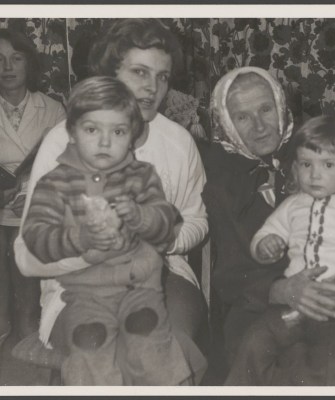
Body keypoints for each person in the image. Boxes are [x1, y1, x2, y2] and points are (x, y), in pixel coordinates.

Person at [14, 18, 208, 385]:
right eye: (139, 72)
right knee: (98, 353)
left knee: (171, 347)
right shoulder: (63, 140)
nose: (152, 88)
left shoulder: (179, 143)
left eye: (163, 77)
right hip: (78, 281)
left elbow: (196, 219)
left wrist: (163, 238)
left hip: (163, 274)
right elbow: (30, 247)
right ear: (110, 74)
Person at [201, 66, 335, 385]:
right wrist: (281, 290)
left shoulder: (324, 148)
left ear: (281, 106)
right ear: (227, 124)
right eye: (243, 117)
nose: (259, 126)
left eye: (266, 109)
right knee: (258, 354)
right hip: (263, 308)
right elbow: (230, 275)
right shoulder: (220, 185)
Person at [0, 28, 66, 344]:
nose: (7, 67)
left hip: (37, 208)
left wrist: (29, 196)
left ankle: (29, 327)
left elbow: (64, 170)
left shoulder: (53, 110)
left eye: (16, 58)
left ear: (29, 64)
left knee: (25, 235)